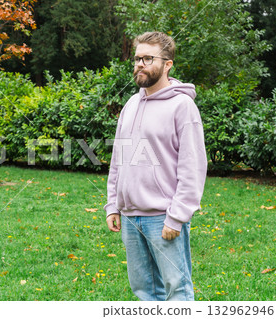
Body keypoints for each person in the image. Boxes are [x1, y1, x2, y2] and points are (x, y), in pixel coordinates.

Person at [104, 31, 207, 301]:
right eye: (137, 58)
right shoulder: (131, 104)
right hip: (129, 217)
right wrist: (113, 204)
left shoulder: (182, 106)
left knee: (177, 291)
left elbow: (193, 167)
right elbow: (119, 159)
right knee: (145, 292)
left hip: (163, 217)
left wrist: (177, 216)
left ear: (168, 64)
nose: (140, 64)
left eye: (148, 58)